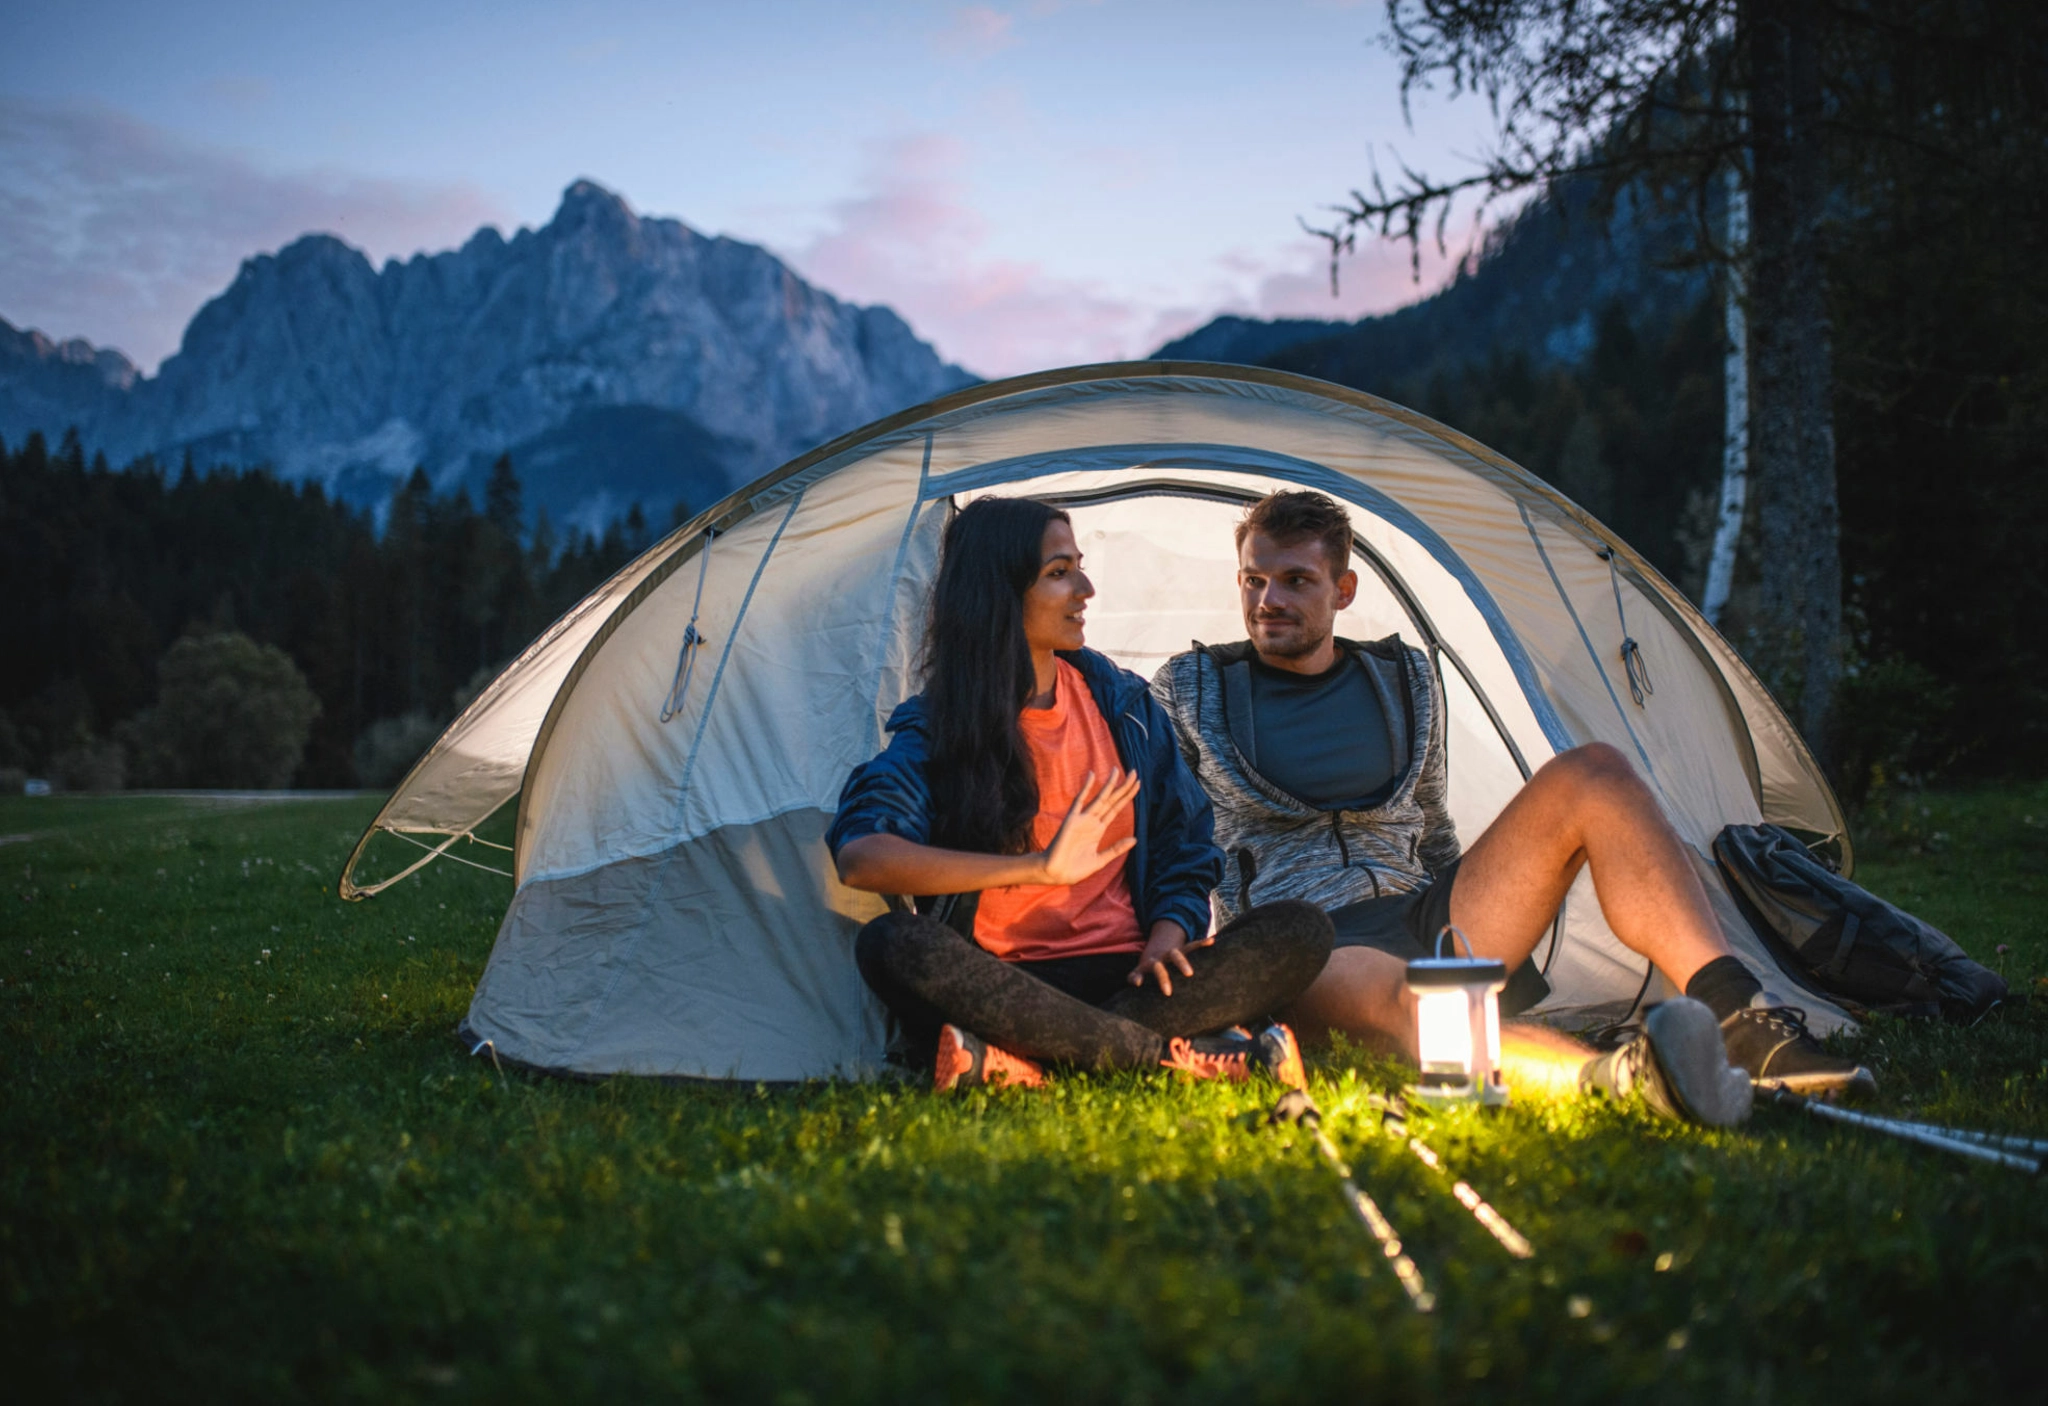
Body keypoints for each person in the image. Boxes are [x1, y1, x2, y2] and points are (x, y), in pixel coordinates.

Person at [1151, 489, 1875, 1126]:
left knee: (1594, 771)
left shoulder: (1404, 678)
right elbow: (1173, 839)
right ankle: (1622, 1081)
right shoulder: (1191, 688)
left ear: (1343, 590)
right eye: (1253, 580)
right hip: (1307, 939)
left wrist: (1469, 913)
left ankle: (1740, 1017)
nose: (1267, 601)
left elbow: (1431, 827)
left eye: (1293, 581)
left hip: (1423, 905)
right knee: (1429, 1001)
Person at [829, 496, 1333, 1092]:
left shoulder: (1125, 707)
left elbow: (1186, 847)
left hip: (1133, 980)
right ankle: (1172, 1059)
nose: (1086, 588)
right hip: (1002, 982)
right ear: (1000, 593)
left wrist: (1167, 938)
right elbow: (862, 856)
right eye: (1059, 573)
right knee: (892, 942)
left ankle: (1022, 1061)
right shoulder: (941, 727)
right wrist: (1038, 868)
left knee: (1302, 929)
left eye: (1079, 566)